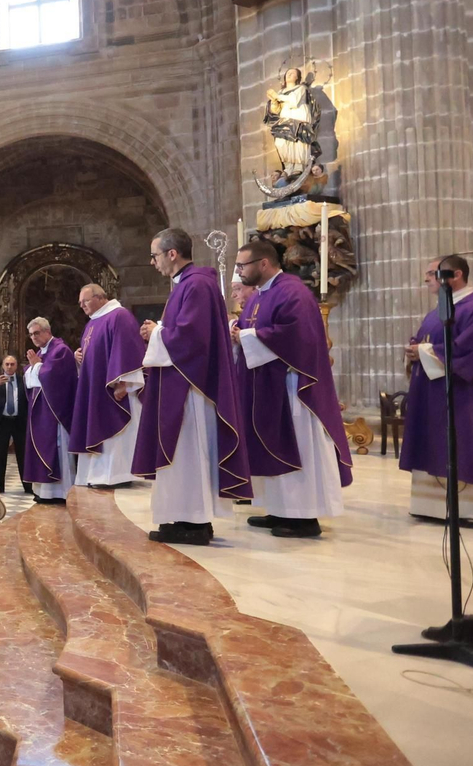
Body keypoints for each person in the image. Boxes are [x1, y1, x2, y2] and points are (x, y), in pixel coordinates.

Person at [132, 227, 251, 545]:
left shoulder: (195, 284)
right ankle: (189, 519)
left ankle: (194, 523)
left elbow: (191, 339)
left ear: (172, 254)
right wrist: (160, 330)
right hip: (183, 384)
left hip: (190, 388)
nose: (153, 262)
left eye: (155, 255)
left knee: (186, 454)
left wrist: (156, 333)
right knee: (184, 455)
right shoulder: (189, 284)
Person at [233, 240, 353, 537]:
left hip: (292, 388)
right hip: (268, 387)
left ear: (263, 263)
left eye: (242, 266)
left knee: (298, 446)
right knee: (273, 445)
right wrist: (239, 333)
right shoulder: (260, 295)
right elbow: (253, 330)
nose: (239, 271)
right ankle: (280, 510)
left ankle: (304, 517)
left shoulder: (292, 291)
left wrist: (246, 336)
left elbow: (296, 336)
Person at [400, 255, 473, 524]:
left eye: (432, 273)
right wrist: (415, 350)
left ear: (457, 275)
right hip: (436, 394)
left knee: (467, 444)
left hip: (470, 396)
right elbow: (429, 341)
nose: (427, 279)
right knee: (436, 445)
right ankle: (434, 506)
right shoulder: (440, 311)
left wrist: (424, 351)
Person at [71, 284, 145, 489]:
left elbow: (127, 349)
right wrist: (79, 357)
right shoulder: (93, 322)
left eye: (85, 301)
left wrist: (124, 383)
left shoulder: (119, 316)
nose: (82, 306)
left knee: (115, 434)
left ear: (100, 297)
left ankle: (116, 476)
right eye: (80, 303)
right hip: (95, 389)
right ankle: (97, 475)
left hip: (113, 390)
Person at [22, 318, 79, 505]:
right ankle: (44, 491)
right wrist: (34, 367)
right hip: (41, 412)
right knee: (42, 448)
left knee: (57, 449)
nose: (33, 337)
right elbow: (30, 380)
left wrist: (37, 366)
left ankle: (62, 492)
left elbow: (53, 378)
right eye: (31, 335)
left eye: (36, 333)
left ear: (47, 331)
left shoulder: (61, 350)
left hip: (56, 412)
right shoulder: (40, 353)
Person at [0, 355, 32, 495]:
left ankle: (28, 486)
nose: (9, 367)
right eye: (7, 364)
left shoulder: (23, 380)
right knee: (1, 453)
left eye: (12, 364)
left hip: (19, 420)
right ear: (3, 366)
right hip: (3, 420)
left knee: (22, 453)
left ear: (16, 366)